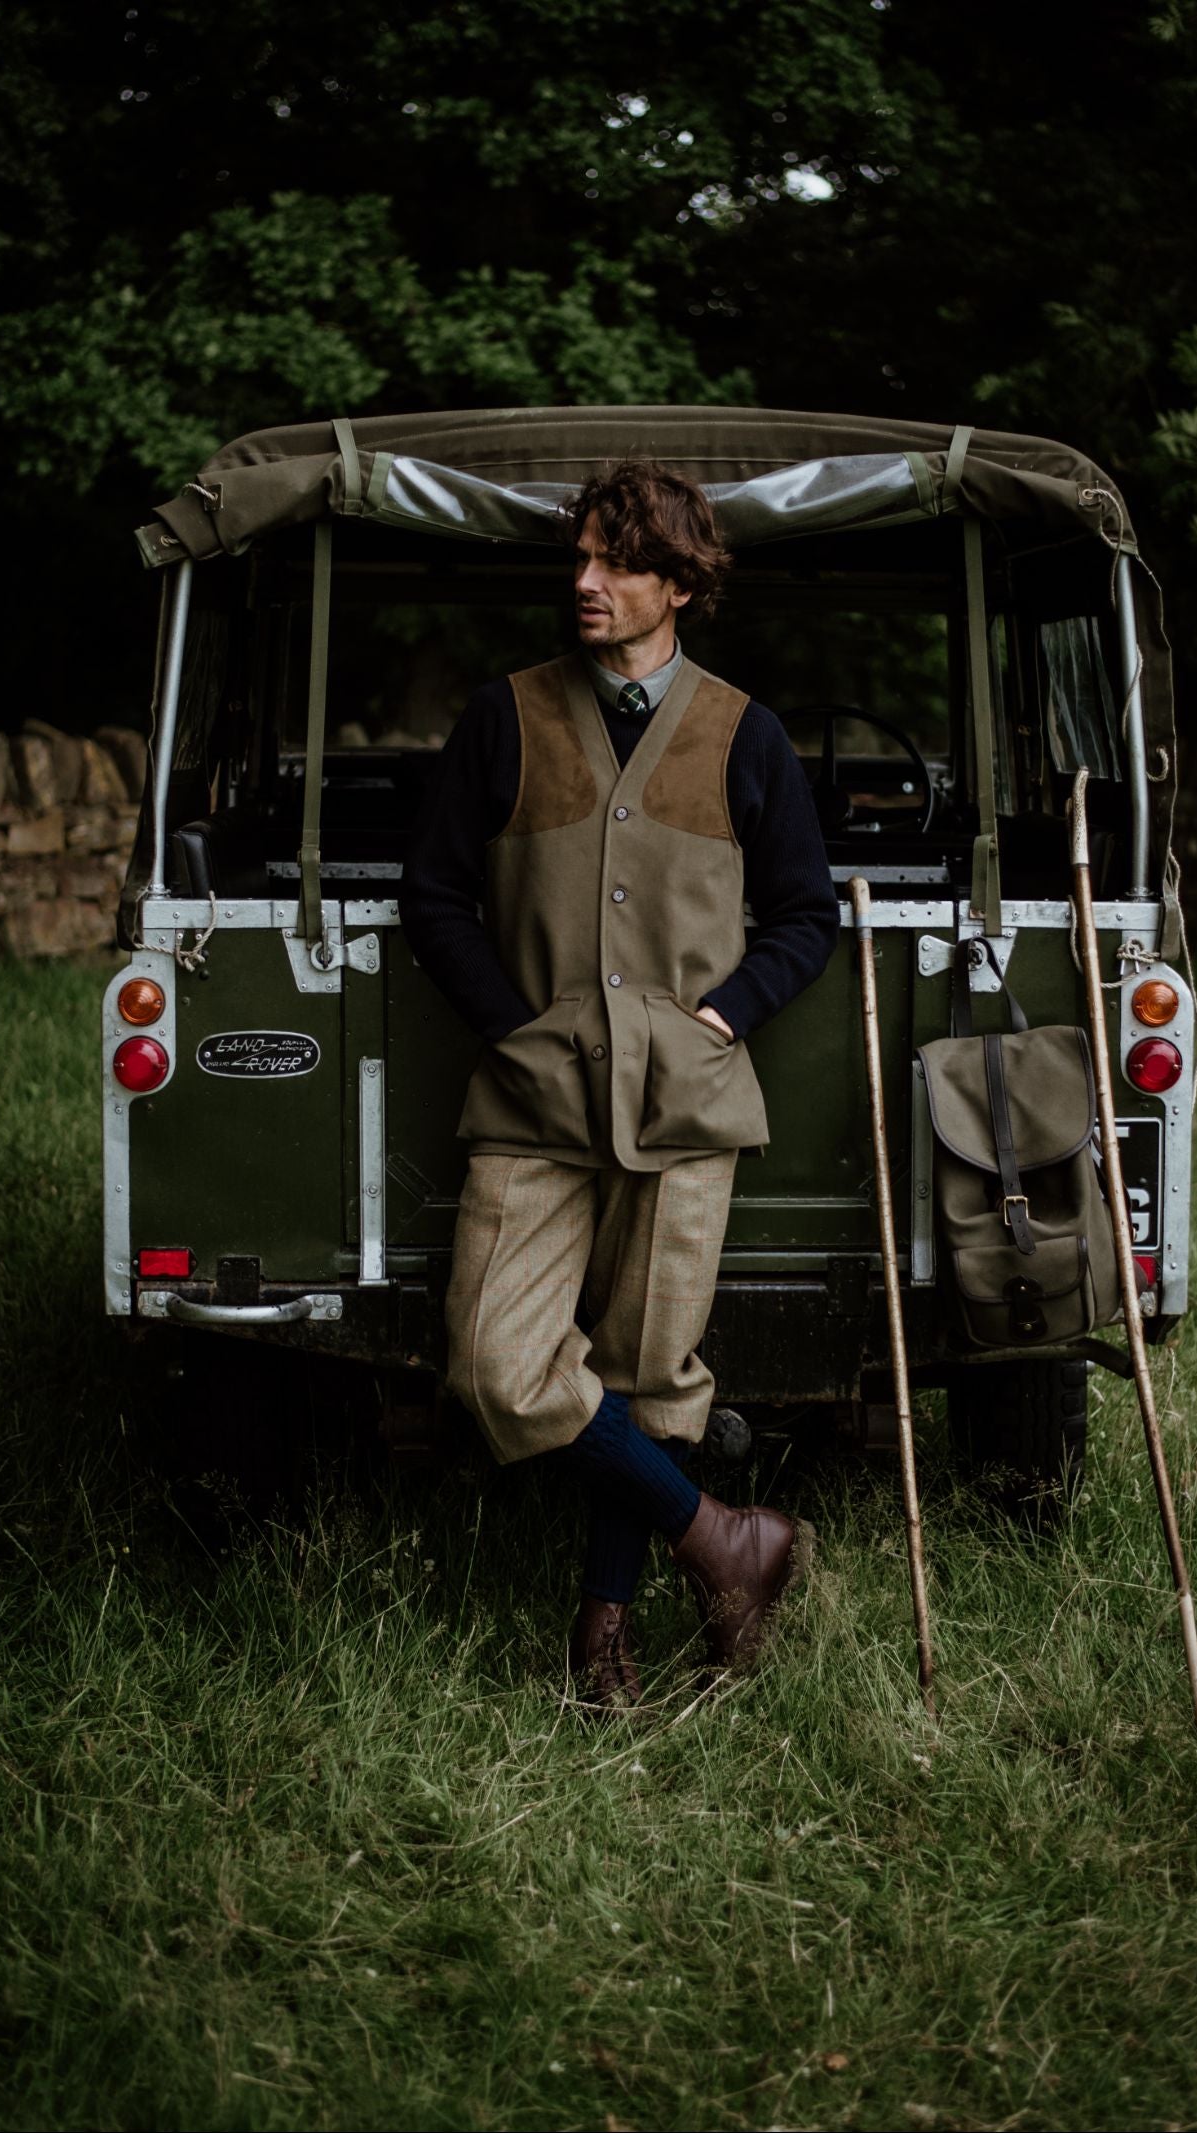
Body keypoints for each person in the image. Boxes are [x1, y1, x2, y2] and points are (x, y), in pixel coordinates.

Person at [400, 459, 839, 1710]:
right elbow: (431, 894)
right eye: (580, 558)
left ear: (680, 585)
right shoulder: (508, 715)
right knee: (497, 1364)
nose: (585, 583)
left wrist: (722, 1015)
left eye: (617, 563)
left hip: (684, 1099)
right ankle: (726, 1542)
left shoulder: (746, 733)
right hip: (536, 1097)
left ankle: (605, 1636)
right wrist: (513, 1024)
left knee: (651, 1370)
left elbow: (805, 917)